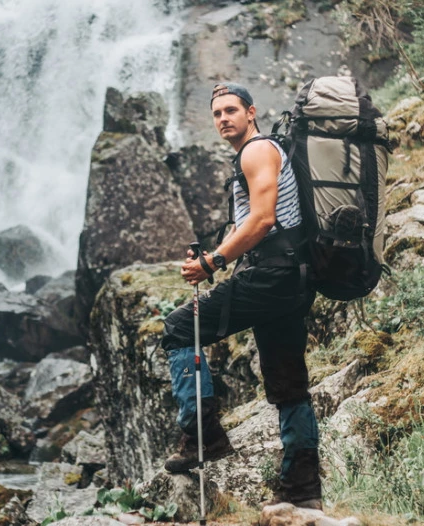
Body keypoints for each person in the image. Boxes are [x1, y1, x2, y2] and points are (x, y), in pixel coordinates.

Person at [160, 82, 321, 510]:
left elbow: (264, 220)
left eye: (231, 110)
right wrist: (215, 252)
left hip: (272, 276)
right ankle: (303, 491)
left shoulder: (257, 151)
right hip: (290, 279)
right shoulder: (253, 155)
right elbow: (248, 223)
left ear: (251, 112)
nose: (223, 119)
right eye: (216, 114)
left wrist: (211, 264)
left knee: (178, 329)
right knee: (289, 385)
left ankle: (202, 436)